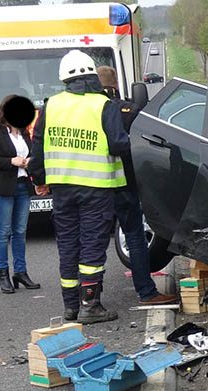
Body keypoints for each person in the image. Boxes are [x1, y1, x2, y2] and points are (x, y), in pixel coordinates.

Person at [28, 50, 130, 324]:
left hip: (62, 189)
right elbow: (119, 144)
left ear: (64, 79)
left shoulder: (52, 105)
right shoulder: (103, 104)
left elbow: (37, 146)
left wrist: (39, 180)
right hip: (96, 187)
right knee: (93, 245)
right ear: (91, 75)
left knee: (69, 245)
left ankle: (71, 306)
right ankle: (90, 305)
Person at [96, 66, 175, 305]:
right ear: (116, 85)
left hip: (95, 183)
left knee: (94, 240)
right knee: (134, 236)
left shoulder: (89, 111)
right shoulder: (128, 110)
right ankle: (146, 292)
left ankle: (89, 296)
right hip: (127, 182)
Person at [0, 94, 40, 294]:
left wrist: (29, 162)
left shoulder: (25, 134)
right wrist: (11, 161)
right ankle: (3, 274)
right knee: (2, 232)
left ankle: (20, 272)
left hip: (22, 185)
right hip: (3, 187)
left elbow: (32, 154)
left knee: (20, 231)